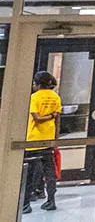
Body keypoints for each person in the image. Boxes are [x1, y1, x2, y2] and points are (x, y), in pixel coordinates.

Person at [23, 71, 61, 214]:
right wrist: (56, 140)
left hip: (33, 138)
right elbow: (58, 120)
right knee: (50, 172)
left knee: (29, 172)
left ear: (38, 84)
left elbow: (37, 118)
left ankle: (25, 204)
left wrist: (49, 116)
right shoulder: (55, 97)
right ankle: (51, 200)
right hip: (48, 139)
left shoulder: (34, 97)